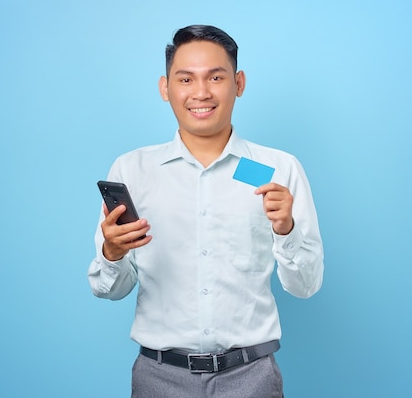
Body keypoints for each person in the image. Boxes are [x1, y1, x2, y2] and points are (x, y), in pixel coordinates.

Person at [88, 25, 324, 398]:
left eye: (216, 77)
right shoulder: (132, 171)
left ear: (239, 83)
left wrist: (286, 229)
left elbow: (306, 286)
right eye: (186, 79)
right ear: (165, 88)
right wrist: (112, 253)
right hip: (158, 378)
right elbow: (107, 288)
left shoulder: (277, 169)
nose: (201, 93)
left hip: (252, 378)